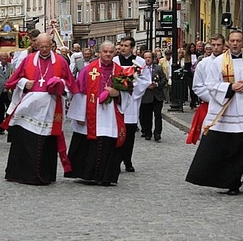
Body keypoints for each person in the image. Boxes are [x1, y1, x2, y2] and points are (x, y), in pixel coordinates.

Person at [186, 30, 243, 196]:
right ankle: (232, 182)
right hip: (227, 111)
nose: (235, 44)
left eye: (238, 41)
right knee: (230, 150)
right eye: (232, 41)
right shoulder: (218, 62)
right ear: (228, 43)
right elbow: (210, 84)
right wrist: (230, 87)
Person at [3, 33, 78, 185]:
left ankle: (45, 175)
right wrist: (24, 83)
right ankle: (21, 174)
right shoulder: (28, 60)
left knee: (46, 143)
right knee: (25, 140)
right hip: (29, 108)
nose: (44, 49)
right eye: (41, 46)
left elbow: (70, 85)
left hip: (51, 108)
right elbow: (13, 80)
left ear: (52, 46)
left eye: (47, 46)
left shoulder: (61, 62)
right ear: (37, 45)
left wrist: (60, 86)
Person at [65, 41, 130, 186]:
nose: (108, 54)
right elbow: (80, 93)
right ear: (99, 53)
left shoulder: (120, 72)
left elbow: (128, 95)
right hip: (91, 113)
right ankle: (87, 174)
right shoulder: (88, 70)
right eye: (105, 51)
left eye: (111, 52)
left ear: (115, 53)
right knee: (89, 143)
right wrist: (79, 116)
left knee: (108, 143)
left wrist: (117, 93)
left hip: (111, 115)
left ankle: (106, 176)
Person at [112, 36, 149, 172]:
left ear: (132, 48)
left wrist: (132, 85)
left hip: (132, 101)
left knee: (129, 134)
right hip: (118, 100)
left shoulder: (139, 62)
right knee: (117, 133)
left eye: (126, 46)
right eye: (121, 45)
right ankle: (116, 160)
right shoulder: (114, 61)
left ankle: (127, 160)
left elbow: (145, 80)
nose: (122, 48)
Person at [187, 33, 225, 144]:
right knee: (208, 139)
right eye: (214, 45)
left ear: (223, 45)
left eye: (219, 44)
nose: (216, 47)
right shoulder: (203, 64)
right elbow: (198, 86)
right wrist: (215, 98)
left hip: (229, 104)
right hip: (209, 105)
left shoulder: (230, 62)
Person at [139, 51, 167, 141]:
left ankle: (157, 133)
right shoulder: (140, 69)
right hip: (146, 96)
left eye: (149, 57)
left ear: (152, 58)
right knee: (147, 116)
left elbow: (164, 79)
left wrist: (157, 85)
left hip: (157, 95)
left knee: (158, 115)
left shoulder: (158, 68)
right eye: (146, 57)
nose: (147, 59)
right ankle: (148, 132)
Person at [0, 51, 14, 135]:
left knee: (10, 110)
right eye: (2, 59)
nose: (4, 60)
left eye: (6, 59)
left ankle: (9, 126)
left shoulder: (11, 66)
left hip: (8, 92)